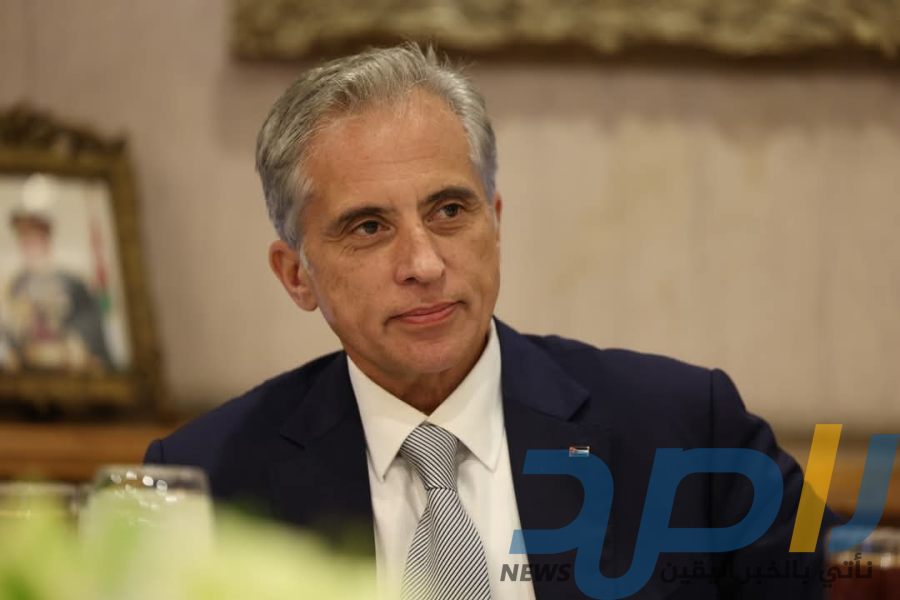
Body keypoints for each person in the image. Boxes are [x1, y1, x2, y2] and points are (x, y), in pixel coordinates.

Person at [145, 44, 838, 599]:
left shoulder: (689, 432)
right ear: (297, 275)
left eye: (449, 211)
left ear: (495, 223)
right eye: (369, 227)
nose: (423, 264)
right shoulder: (202, 482)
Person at [1, 187, 113, 374]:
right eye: (23, 237)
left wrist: (68, 348)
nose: (27, 244)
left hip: (67, 374)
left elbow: (92, 337)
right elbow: (11, 337)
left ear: (46, 238)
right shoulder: (15, 286)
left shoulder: (73, 284)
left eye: (33, 236)